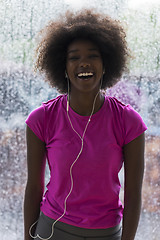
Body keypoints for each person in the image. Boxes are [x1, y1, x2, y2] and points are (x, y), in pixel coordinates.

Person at [24, 9, 147, 240]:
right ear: (62, 66)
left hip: (107, 233)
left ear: (106, 62)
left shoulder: (129, 122)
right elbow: (33, 188)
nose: (84, 63)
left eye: (93, 56)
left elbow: (133, 195)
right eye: (74, 57)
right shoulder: (41, 119)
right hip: (52, 230)